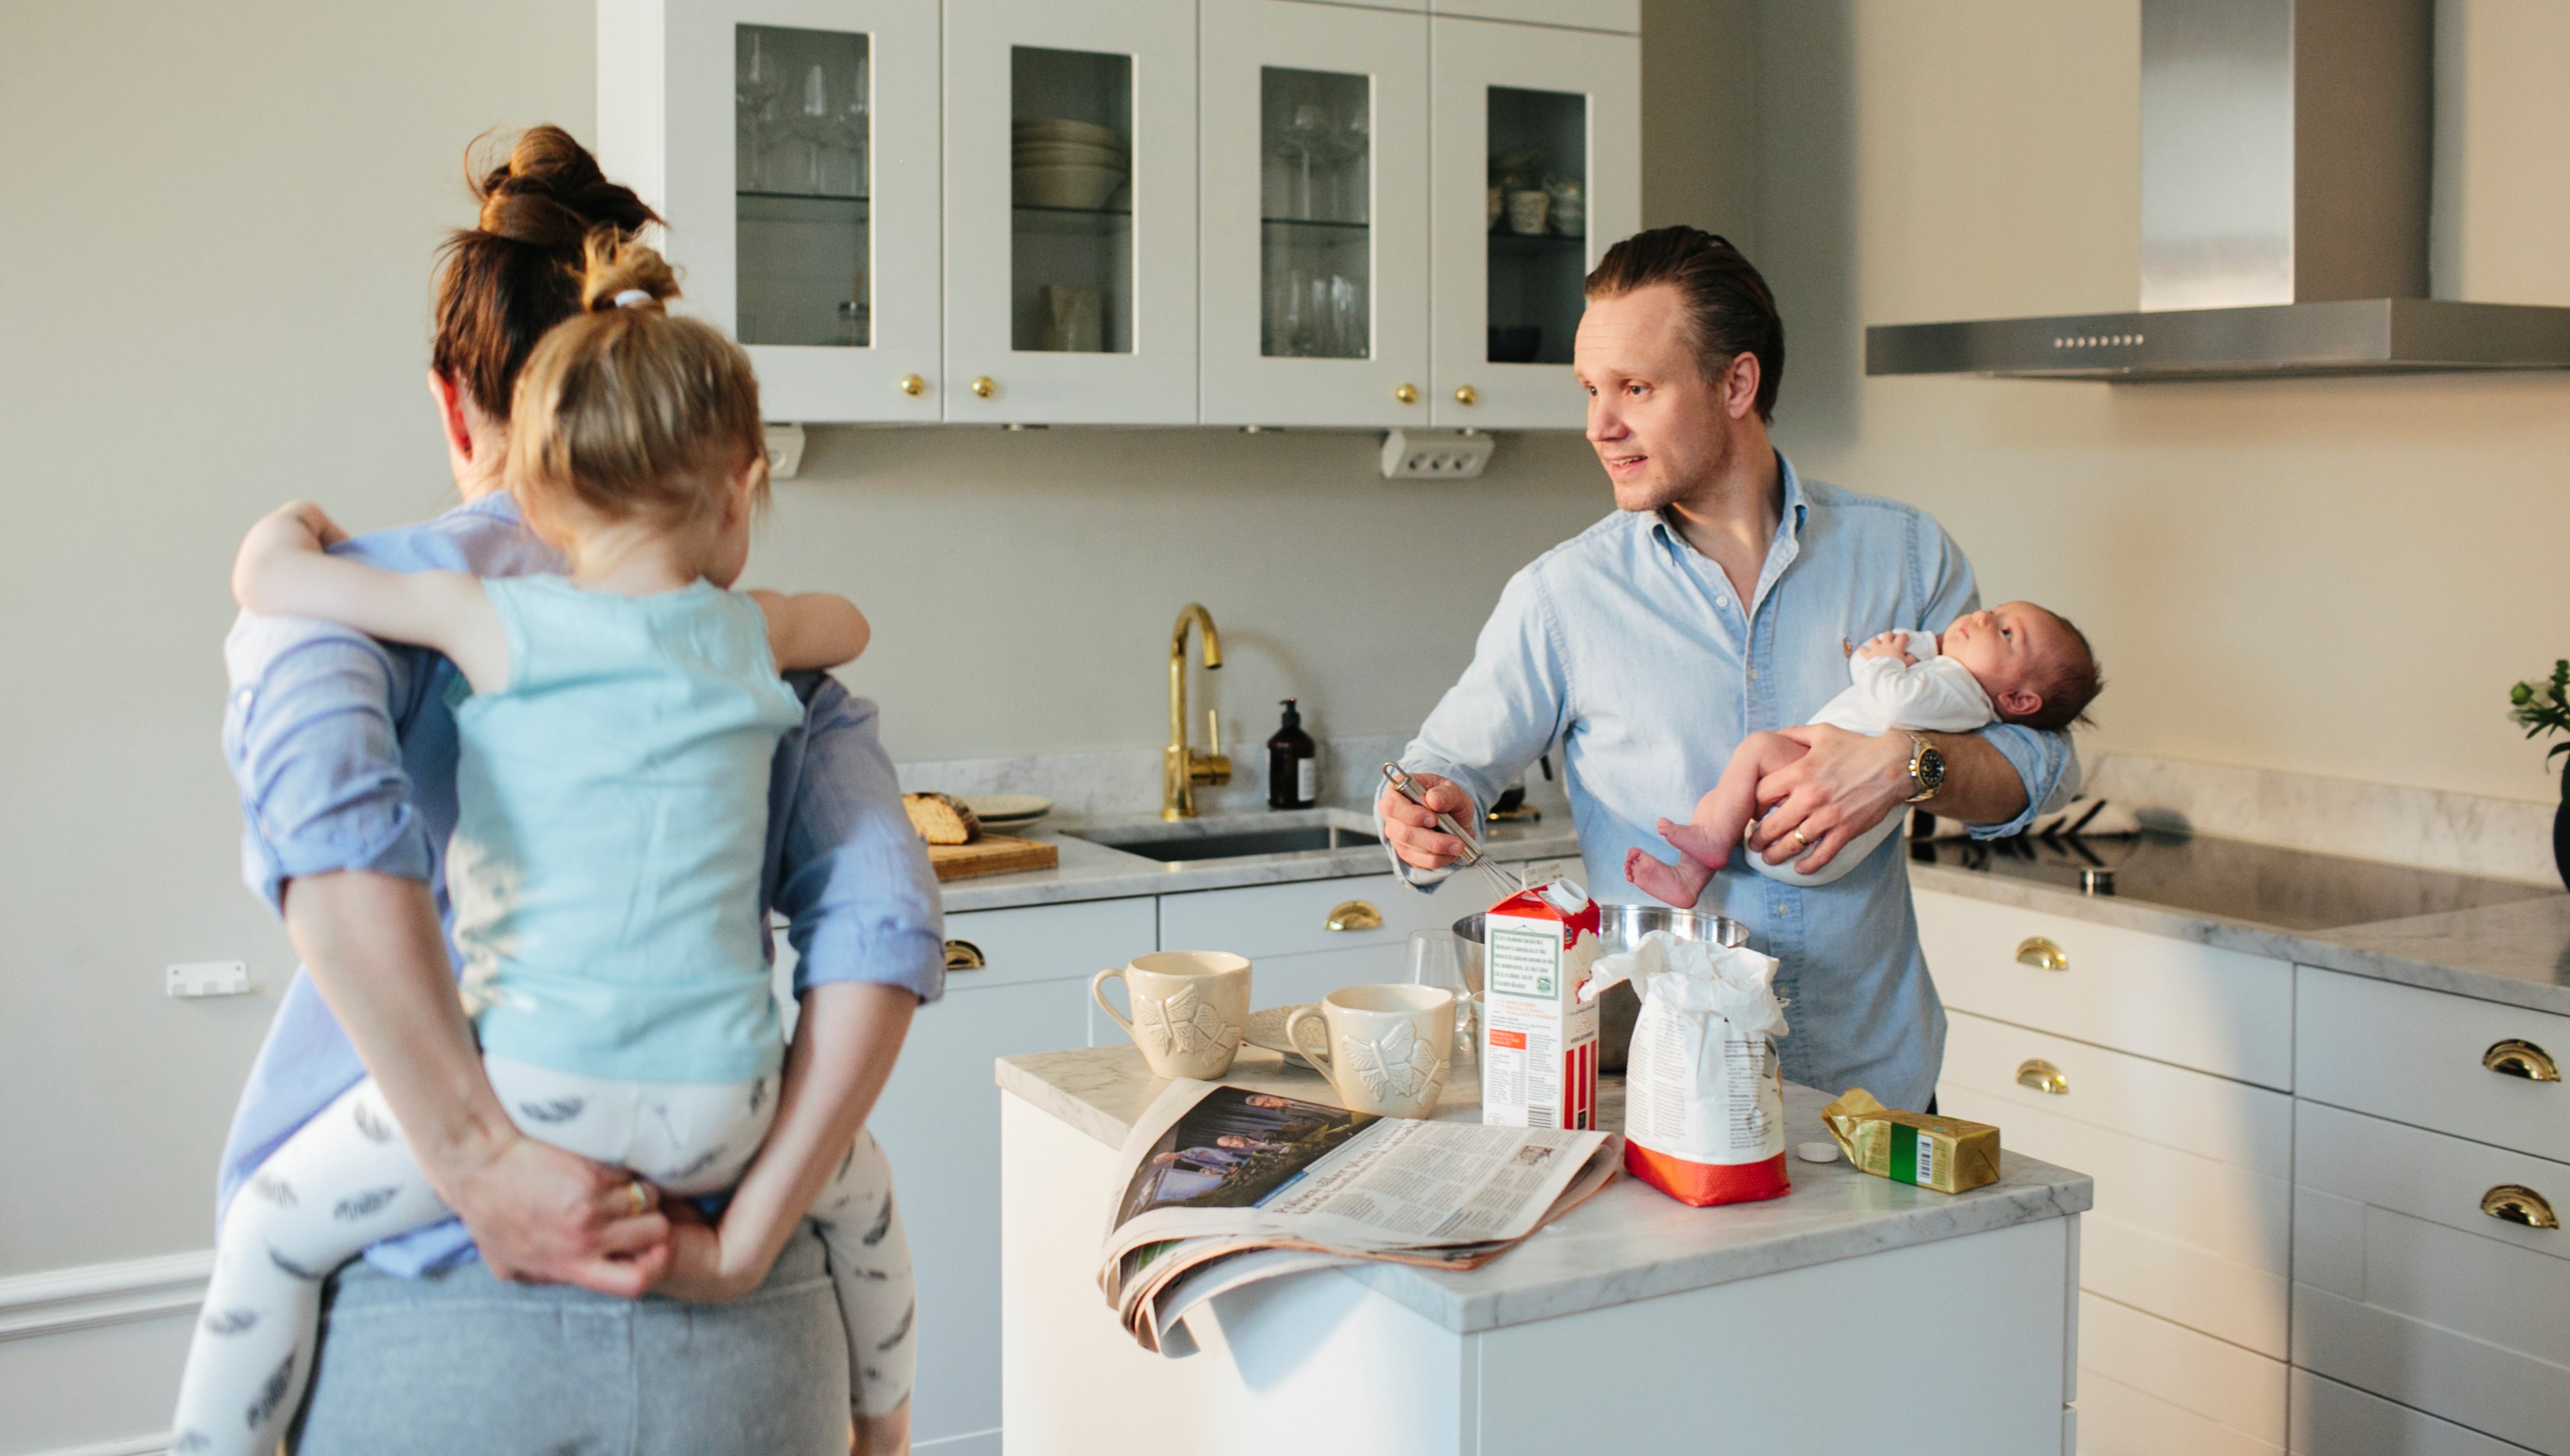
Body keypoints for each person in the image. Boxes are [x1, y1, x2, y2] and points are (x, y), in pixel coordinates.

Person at [213, 126, 939, 1454]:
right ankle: (889, 1433)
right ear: (738, 483)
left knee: (271, 1230)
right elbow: (886, 925)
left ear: (459, 407)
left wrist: (285, 536)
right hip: (742, 1243)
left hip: (448, 1270)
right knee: (867, 1197)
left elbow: (321, 804)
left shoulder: (432, 614)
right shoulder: (757, 647)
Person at [1375, 227, 2078, 1113]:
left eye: (1636, 388)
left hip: (1879, 1090)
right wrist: (1423, 812)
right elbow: (1444, 770)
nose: (1599, 425)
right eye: (1591, 389)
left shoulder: (1906, 554)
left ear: (1737, 384)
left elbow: (2042, 767)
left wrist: (1906, 765)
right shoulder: (1562, 596)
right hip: (1671, 1096)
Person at [1630, 603, 2102, 903]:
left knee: (1755, 751)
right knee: (1722, 798)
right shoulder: (1943, 677)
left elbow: (1893, 700)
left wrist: (1888, 661)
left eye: (2005, 633)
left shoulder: (1962, 693)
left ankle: (1708, 850)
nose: (1982, 617)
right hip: (1802, 822)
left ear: (2019, 700)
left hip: (1818, 833)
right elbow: (1871, 660)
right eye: (1995, 612)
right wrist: (1910, 649)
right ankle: (1689, 879)